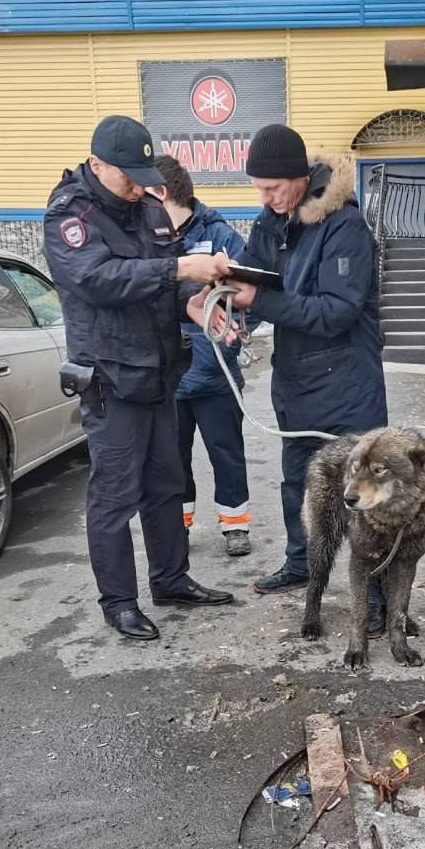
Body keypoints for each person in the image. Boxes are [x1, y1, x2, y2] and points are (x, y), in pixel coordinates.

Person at [44, 115, 235, 641]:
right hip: (109, 378)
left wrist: (194, 305)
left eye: (141, 173)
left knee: (166, 485)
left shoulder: (149, 209)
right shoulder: (69, 216)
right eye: (125, 173)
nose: (137, 184)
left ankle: (171, 580)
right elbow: (97, 280)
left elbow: (164, 285)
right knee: (114, 495)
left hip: (157, 372)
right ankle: (120, 602)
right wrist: (179, 272)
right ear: (96, 163)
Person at [227, 124, 389, 632]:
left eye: (273, 187)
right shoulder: (270, 223)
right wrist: (233, 312)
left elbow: (337, 311)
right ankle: (302, 564)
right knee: (298, 482)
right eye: (258, 188)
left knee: (362, 496)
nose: (265, 197)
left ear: (300, 177)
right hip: (295, 382)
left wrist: (261, 302)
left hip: (348, 383)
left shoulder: (345, 226)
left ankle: (377, 595)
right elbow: (251, 278)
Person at [151, 155, 252, 558]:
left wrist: (235, 333)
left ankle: (235, 524)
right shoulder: (149, 237)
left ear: (162, 192)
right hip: (168, 377)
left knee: (226, 453)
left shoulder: (220, 236)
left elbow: (249, 294)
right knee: (172, 460)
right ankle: (179, 524)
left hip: (214, 375)